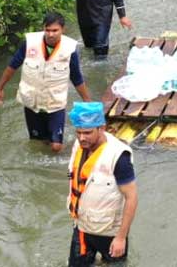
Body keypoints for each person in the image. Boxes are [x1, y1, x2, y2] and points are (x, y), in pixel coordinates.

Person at [0, 12, 91, 153]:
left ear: (63, 30)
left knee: (56, 146)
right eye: (48, 30)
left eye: (55, 30)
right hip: (32, 101)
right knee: (38, 142)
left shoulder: (70, 49)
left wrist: (87, 101)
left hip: (55, 102)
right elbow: (12, 66)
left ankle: (58, 159)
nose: (51, 34)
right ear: (43, 28)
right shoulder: (30, 43)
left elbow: (76, 77)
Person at [67, 102, 137, 266]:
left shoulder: (119, 156)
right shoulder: (79, 144)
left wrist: (120, 238)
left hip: (109, 233)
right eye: (78, 132)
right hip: (82, 227)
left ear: (102, 128)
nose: (82, 137)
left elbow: (132, 197)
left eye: (87, 133)